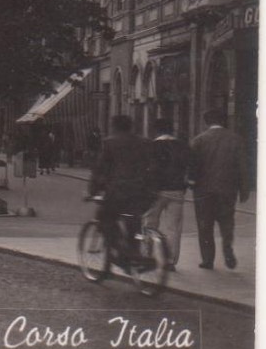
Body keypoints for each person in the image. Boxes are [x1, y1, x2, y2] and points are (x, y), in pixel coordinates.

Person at [88, 115, 157, 266]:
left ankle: (122, 253)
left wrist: (92, 190)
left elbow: (100, 169)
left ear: (114, 126)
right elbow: (153, 167)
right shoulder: (145, 142)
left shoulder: (109, 143)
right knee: (134, 220)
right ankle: (135, 253)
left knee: (105, 217)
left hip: (119, 192)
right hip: (142, 192)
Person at [189, 108, 250, 270]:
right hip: (227, 189)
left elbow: (193, 166)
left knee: (205, 225)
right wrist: (244, 189)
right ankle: (227, 249)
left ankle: (208, 259)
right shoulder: (236, 139)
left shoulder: (198, 140)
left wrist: (191, 182)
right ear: (223, 121)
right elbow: (243, 166)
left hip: (203, 191)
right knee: (227, 222)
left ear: (206, 122)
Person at [145, 118, 188, 270]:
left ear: (156, 130)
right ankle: (170, 261)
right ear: (172, 130)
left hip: (155, 192)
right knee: (173, 227)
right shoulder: (182, 145)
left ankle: (147, 255)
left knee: (150, 223)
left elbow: (148, 169)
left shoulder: (152, 146)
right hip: (176, 191)